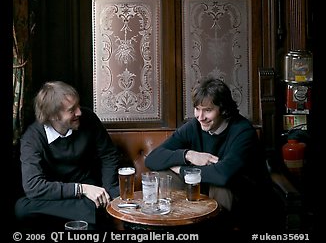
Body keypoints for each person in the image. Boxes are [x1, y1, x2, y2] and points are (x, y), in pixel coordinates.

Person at [145, 76, 280, 233]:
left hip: (247, 199)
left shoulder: (243, 131)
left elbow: (223, 175)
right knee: (163, 174)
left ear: (223, 109)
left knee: (221, 187)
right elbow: (153, 158)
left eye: (208, 110)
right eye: (197, 109)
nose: (200, 117)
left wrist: (182, 169)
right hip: (205, 190)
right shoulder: (193, 127)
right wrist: (188, 155)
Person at [15, 81, 121, 230]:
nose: (79, 112)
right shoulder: (32, 138)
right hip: (56, 197)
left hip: (89, 194)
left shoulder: (88, 119)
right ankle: (87, 212)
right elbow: (33, 187)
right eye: (72, 110)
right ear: (53, 116)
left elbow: (109, 155)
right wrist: (81, 189)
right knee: (22, 209)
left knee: (97, 206)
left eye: (78, 105)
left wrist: (109, 192)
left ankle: (87, 212)